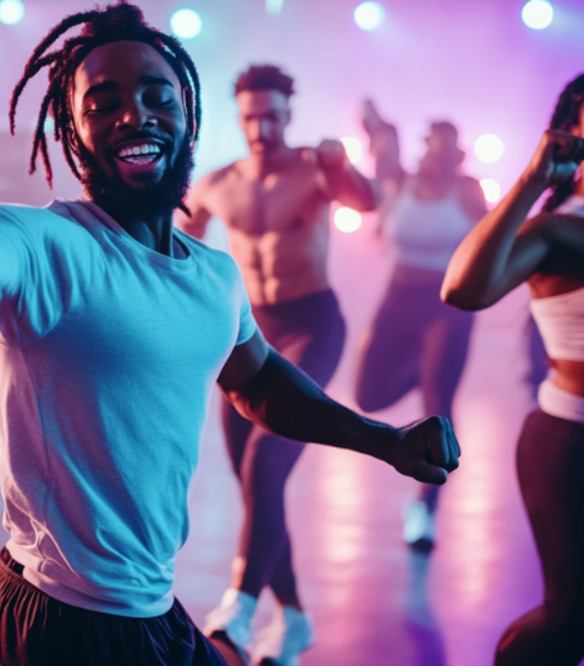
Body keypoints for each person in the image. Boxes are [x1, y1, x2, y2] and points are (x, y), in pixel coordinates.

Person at [0, 5, 460, 666]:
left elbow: (260, 381)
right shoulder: (48, 245)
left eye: (154, 95)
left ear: (187, 116)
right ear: (73, 132)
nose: (132, 114)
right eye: (101, 102)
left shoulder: (213, 277)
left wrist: (385, 442)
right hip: (60, 624)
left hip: (147, 612)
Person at [176, 64, 378, 663]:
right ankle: (293, 617)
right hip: (244, 337)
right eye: (250, 117)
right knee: (252, 480)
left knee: (266, 462)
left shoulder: (316, 171)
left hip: (312, 327)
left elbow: (368, 202)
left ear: (289, 114)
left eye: (272, 115)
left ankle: (238, 606)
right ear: (238, 118)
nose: (261, 127)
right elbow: (169, 244)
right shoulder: (217, 183)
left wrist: (341, 163)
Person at [441, 59, 584, 665]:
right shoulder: (564, 230)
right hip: (582, 442)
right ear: (575, 131)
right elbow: (464, 290)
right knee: (569, 622)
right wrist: (531, 179)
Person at [356, 100, 488, 550]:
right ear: (424, 150)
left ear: (459, 156)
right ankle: (428, 369)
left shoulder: (467, 191)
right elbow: (381, 143)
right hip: (398, 297)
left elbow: (495, 241)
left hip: (446, 306)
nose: (438, 158)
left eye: (448, 151)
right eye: (432, 147)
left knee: (439, 407)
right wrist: (375, 121)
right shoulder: (402, 182)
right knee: (367, 394)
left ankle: (424, 509)